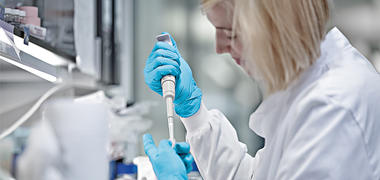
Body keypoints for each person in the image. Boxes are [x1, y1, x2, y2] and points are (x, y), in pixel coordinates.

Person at [143, 0, 380, 179]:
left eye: (230, 34)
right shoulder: (307, 88)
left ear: (277, 25)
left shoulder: (331, 106)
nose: (219, 48)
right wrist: (193, 112)